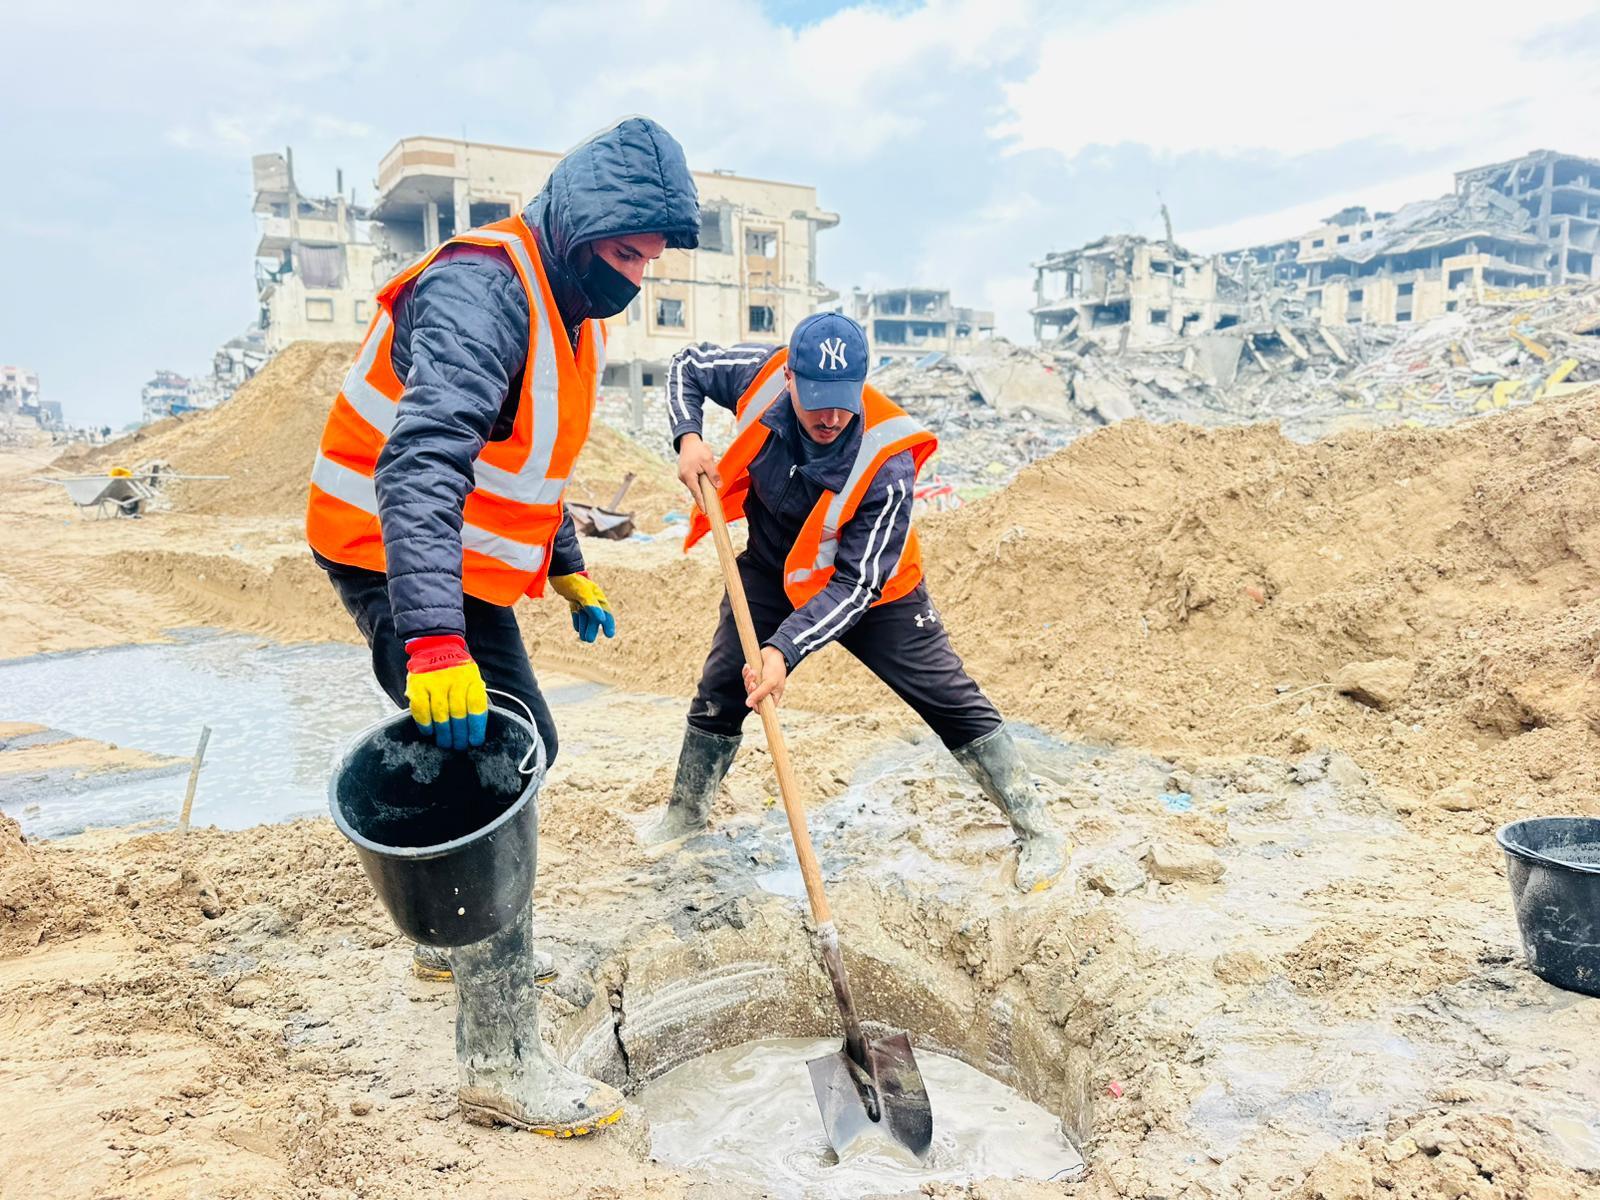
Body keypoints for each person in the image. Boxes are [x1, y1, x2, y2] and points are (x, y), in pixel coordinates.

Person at [307, 117, 700, 1135]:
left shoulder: (568, 312)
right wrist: (433, 642)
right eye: (626, 252)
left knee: (526, 742)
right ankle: (498, 1060)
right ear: (578, 225)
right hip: (389, 554)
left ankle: (451, 941)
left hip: (456, 563)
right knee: (489, 763)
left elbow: (524, 468)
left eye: (652, 259)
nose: (640, 273)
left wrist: (568, 572)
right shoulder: (483, 291)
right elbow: (423, 467)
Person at [646, 313, 1069, 893]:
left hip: (875, 590)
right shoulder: (759, 374)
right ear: (790, 377)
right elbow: (686, 366)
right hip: (772, 568)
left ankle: (1038, 827)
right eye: (817, 400)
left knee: (950, 699)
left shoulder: (887, 461)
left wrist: (783, 650)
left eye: (844, 402)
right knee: (722, 686)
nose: (831, 418)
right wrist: (688, 437)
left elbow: (856, 585)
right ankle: (685, 814)